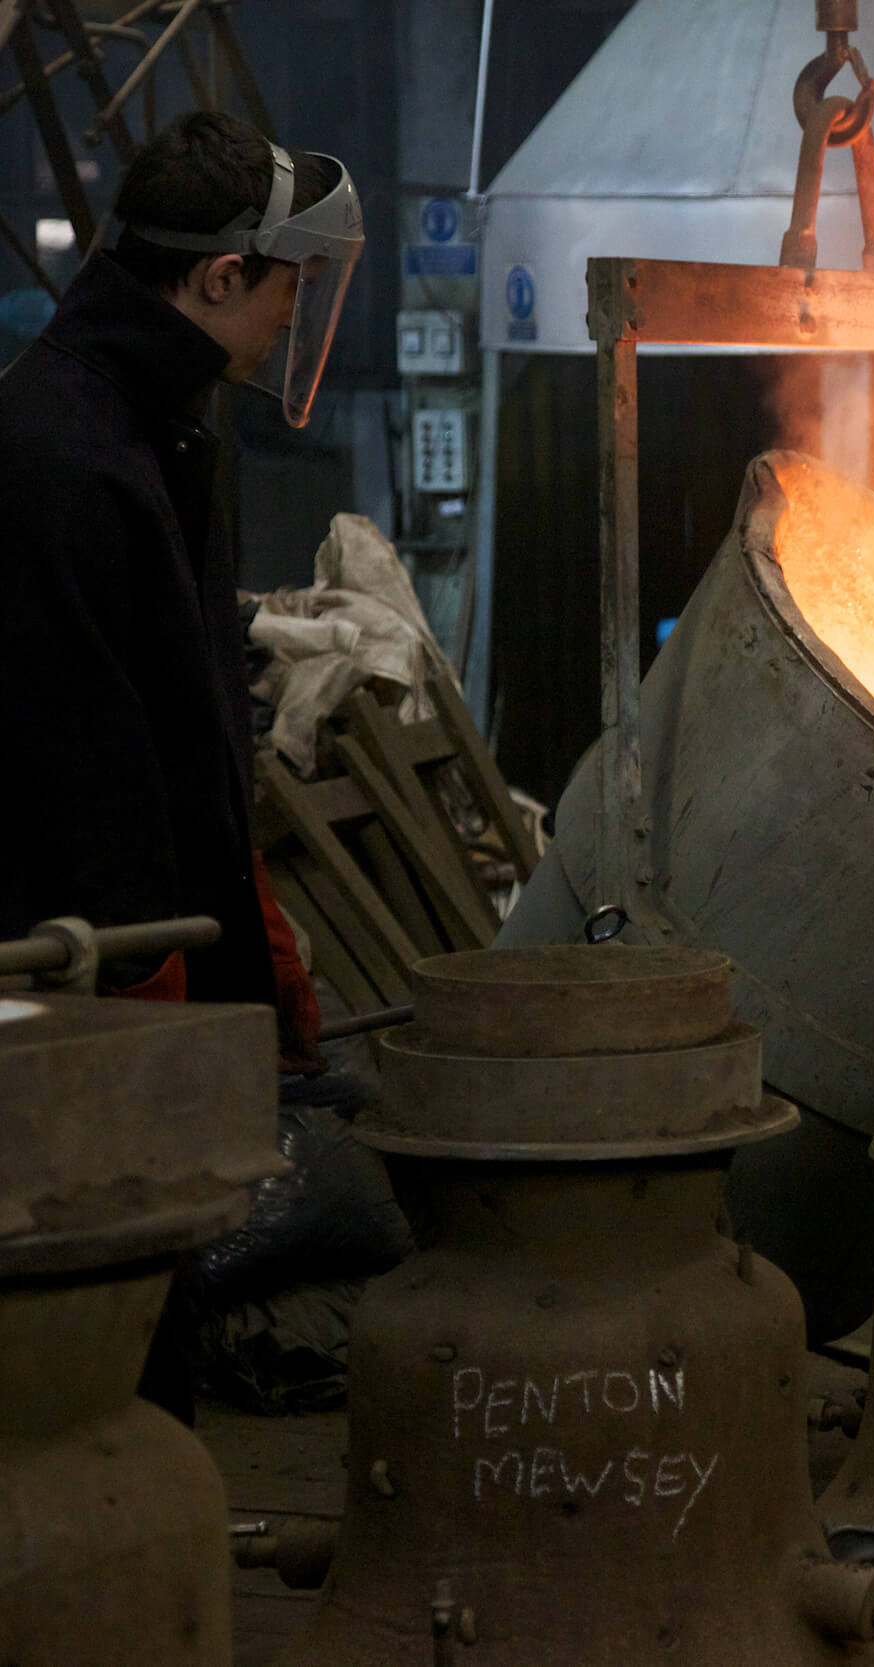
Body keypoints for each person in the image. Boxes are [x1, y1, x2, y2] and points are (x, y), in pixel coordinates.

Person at [0, 110, 365, 1414]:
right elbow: (67, 771)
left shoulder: (156, 433)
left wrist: (244, 919)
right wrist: (162, 993)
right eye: (287, 286)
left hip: (146, 965)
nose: (289, 318)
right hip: (76, 1012)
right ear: (219, 278)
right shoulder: (58, 458)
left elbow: (183, 725)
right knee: (92, 1387)